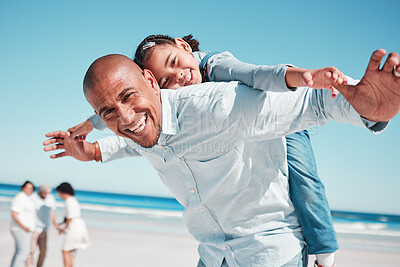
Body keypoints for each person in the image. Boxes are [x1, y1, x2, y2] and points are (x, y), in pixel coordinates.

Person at [43, 50, 400, 266]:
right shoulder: (139, 133)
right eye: (107, 112)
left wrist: (367, 107)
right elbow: (118, 146)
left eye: (127, 97)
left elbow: (312, 101)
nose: (124, 118)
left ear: (150, 81)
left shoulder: (219, 105)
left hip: (269, 254)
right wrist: (85, 152)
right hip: (214, 256)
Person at [56, 182, 90, 267]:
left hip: (74, 227)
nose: (59, 195)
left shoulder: (69, 201)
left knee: (65, 251)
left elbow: (70, 217)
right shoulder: (73, 199)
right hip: (79, 226)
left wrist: (63, 229)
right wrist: (62, 223)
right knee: (69, 251)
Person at [27, 184, 58, 267]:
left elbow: (52, 212)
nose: (45, 194)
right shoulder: (33, 197)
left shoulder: (51, 198)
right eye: (43, 192)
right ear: (39, 191)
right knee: (31, 250)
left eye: (46, 193)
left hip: (44, 228)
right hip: (33, 228)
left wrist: (56, 224)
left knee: (43, 251)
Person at [10, 181, 36, 267]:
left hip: (23, 229)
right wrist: (24, 227)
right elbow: (14, 214)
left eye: (31, 188)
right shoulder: (20, 197)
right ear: (23, 187)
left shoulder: (25, 197)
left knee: (20, 252)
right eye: (27, 187)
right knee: (23, 253)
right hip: (20, 229)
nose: (29, 190)